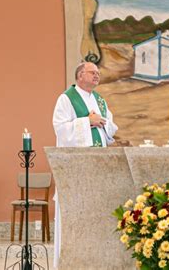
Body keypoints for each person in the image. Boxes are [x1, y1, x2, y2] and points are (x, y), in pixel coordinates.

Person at [52, 61, 118, 267]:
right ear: (80, 75)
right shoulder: (66, 99)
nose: (97, 76)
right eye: (92, 72)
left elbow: (110, 126)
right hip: (76, 166)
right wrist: (87, 121)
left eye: (98, 73)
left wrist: (102, 122)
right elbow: (60, 128)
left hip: (98, 164)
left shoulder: (99, 100)